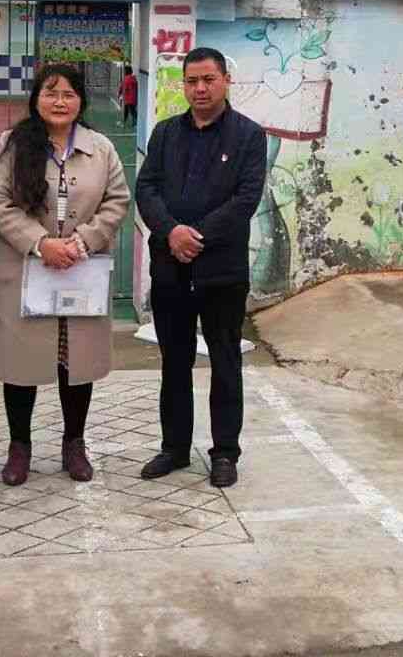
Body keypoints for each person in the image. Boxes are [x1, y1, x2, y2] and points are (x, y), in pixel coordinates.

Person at [0, 64, 130, 486]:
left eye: (68, 94)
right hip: (27, 268)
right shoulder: (13, 144)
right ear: (36, 99)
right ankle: (19, 447)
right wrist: (40, 242)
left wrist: (83, 242)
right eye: (51, 93)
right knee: (21, 361)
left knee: (75, 361)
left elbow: (117, 200)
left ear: (81, 101)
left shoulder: (100, 148)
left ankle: (74, 444)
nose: (60, 102)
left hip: (80, 269)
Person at [135, 47, 267, 488]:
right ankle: (174, 448)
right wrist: (172, 231)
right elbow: (146, 188)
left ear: (226, 80)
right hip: (170, 268)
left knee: (225, 361)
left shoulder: (249, 136)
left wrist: (196, 237)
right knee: (174, 361)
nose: (200, 89)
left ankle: (225, 452)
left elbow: (245, 200)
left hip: (222, 272)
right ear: (184, 86)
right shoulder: (165, 133)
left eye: (209, 79)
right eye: (192, 81)